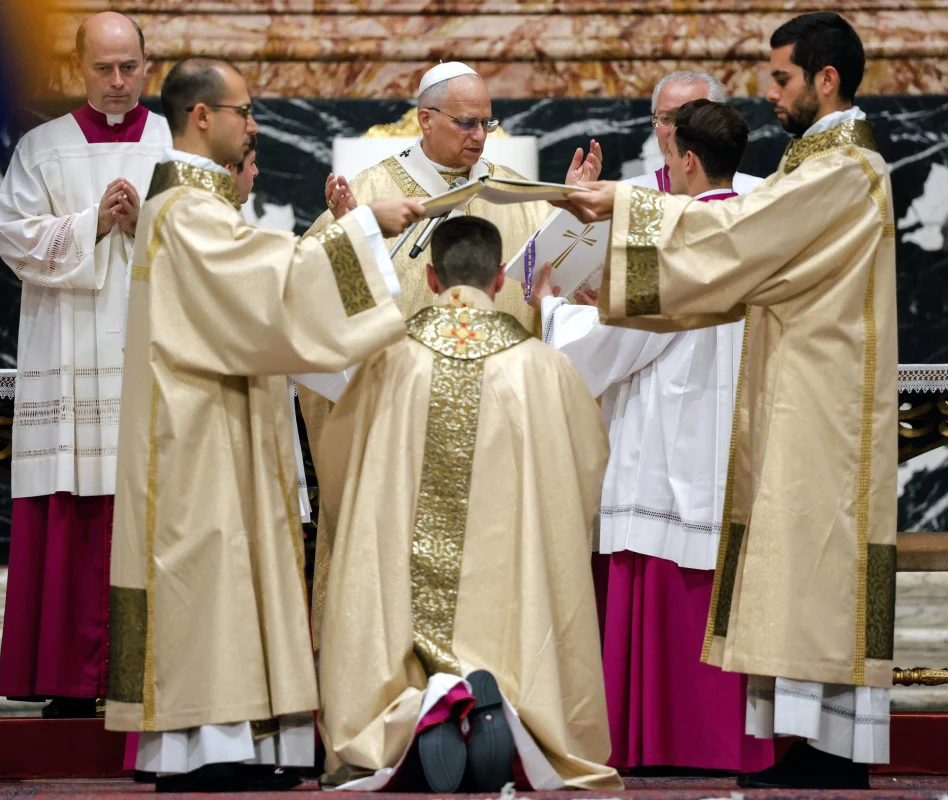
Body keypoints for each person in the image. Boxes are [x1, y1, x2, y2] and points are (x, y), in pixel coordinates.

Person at [551, 12, 896, 791]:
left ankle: (834, 751)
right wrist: (629, 207)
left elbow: (740, 237)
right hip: (798, 384)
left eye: (781, 78)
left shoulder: (844, 168)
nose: (769, 93)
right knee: (794, 568)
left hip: (823, 398)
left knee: (816, 566)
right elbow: (737, 227)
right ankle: (812, 743)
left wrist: (627, 209)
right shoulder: (822, 161)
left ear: (826, 79)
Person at [103, 56, 425, 794]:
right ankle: (206, 743)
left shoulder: (198, 205)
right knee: (208, 575)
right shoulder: (185, 209)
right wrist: (361, 229)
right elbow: (269, 282)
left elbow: (260, 292)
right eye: (244, 112)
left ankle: (243, 742)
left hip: (221, 416)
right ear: (201, 117)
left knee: (232, 573)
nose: (254, 125)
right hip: (195, 433)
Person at [315, 216, 622, 794]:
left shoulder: (387, 362)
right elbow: (586, 465)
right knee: (516, 615)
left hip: (405, 585)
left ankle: (414, 714)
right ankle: (506, 714)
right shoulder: (544, 367)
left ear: (431, 279)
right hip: (508, 580)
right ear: (501, 277)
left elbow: (340, 461)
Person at [532, 100, 774, 775]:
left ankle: (659, 739)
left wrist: (553, 308)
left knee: (662, 563)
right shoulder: (761, 224)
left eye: (668, 158)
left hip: (671, 435)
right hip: (739, 438)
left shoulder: (672, 234)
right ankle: (734, 739)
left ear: (688, 159)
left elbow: (614, 345)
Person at [0, 11, 172, 719]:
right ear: (79, 67)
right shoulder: (42, 148)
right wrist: (92, 224)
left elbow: (216, 236)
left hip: (151, 350)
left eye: (129, 66)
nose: (118, 82)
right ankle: (69, 680)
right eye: (104, 69)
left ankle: (150, 676)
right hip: (66, 351)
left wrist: (145, 220)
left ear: (147, 63)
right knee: (71, 507)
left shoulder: (171, 141)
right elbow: (12, 236)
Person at [309, 62, 601, 334]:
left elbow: (566, 278)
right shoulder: (369, 192)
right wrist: (348, 232)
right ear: (426, 119)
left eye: (487, 123)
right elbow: (306, 286)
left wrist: (573, 209)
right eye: (466, 123)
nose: (480, 136)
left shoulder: (517, 193)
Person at [645, 71, 761, 194]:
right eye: (666, 119)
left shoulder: (758, 195)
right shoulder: (630, 197)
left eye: (691, 119)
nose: (675, 132)